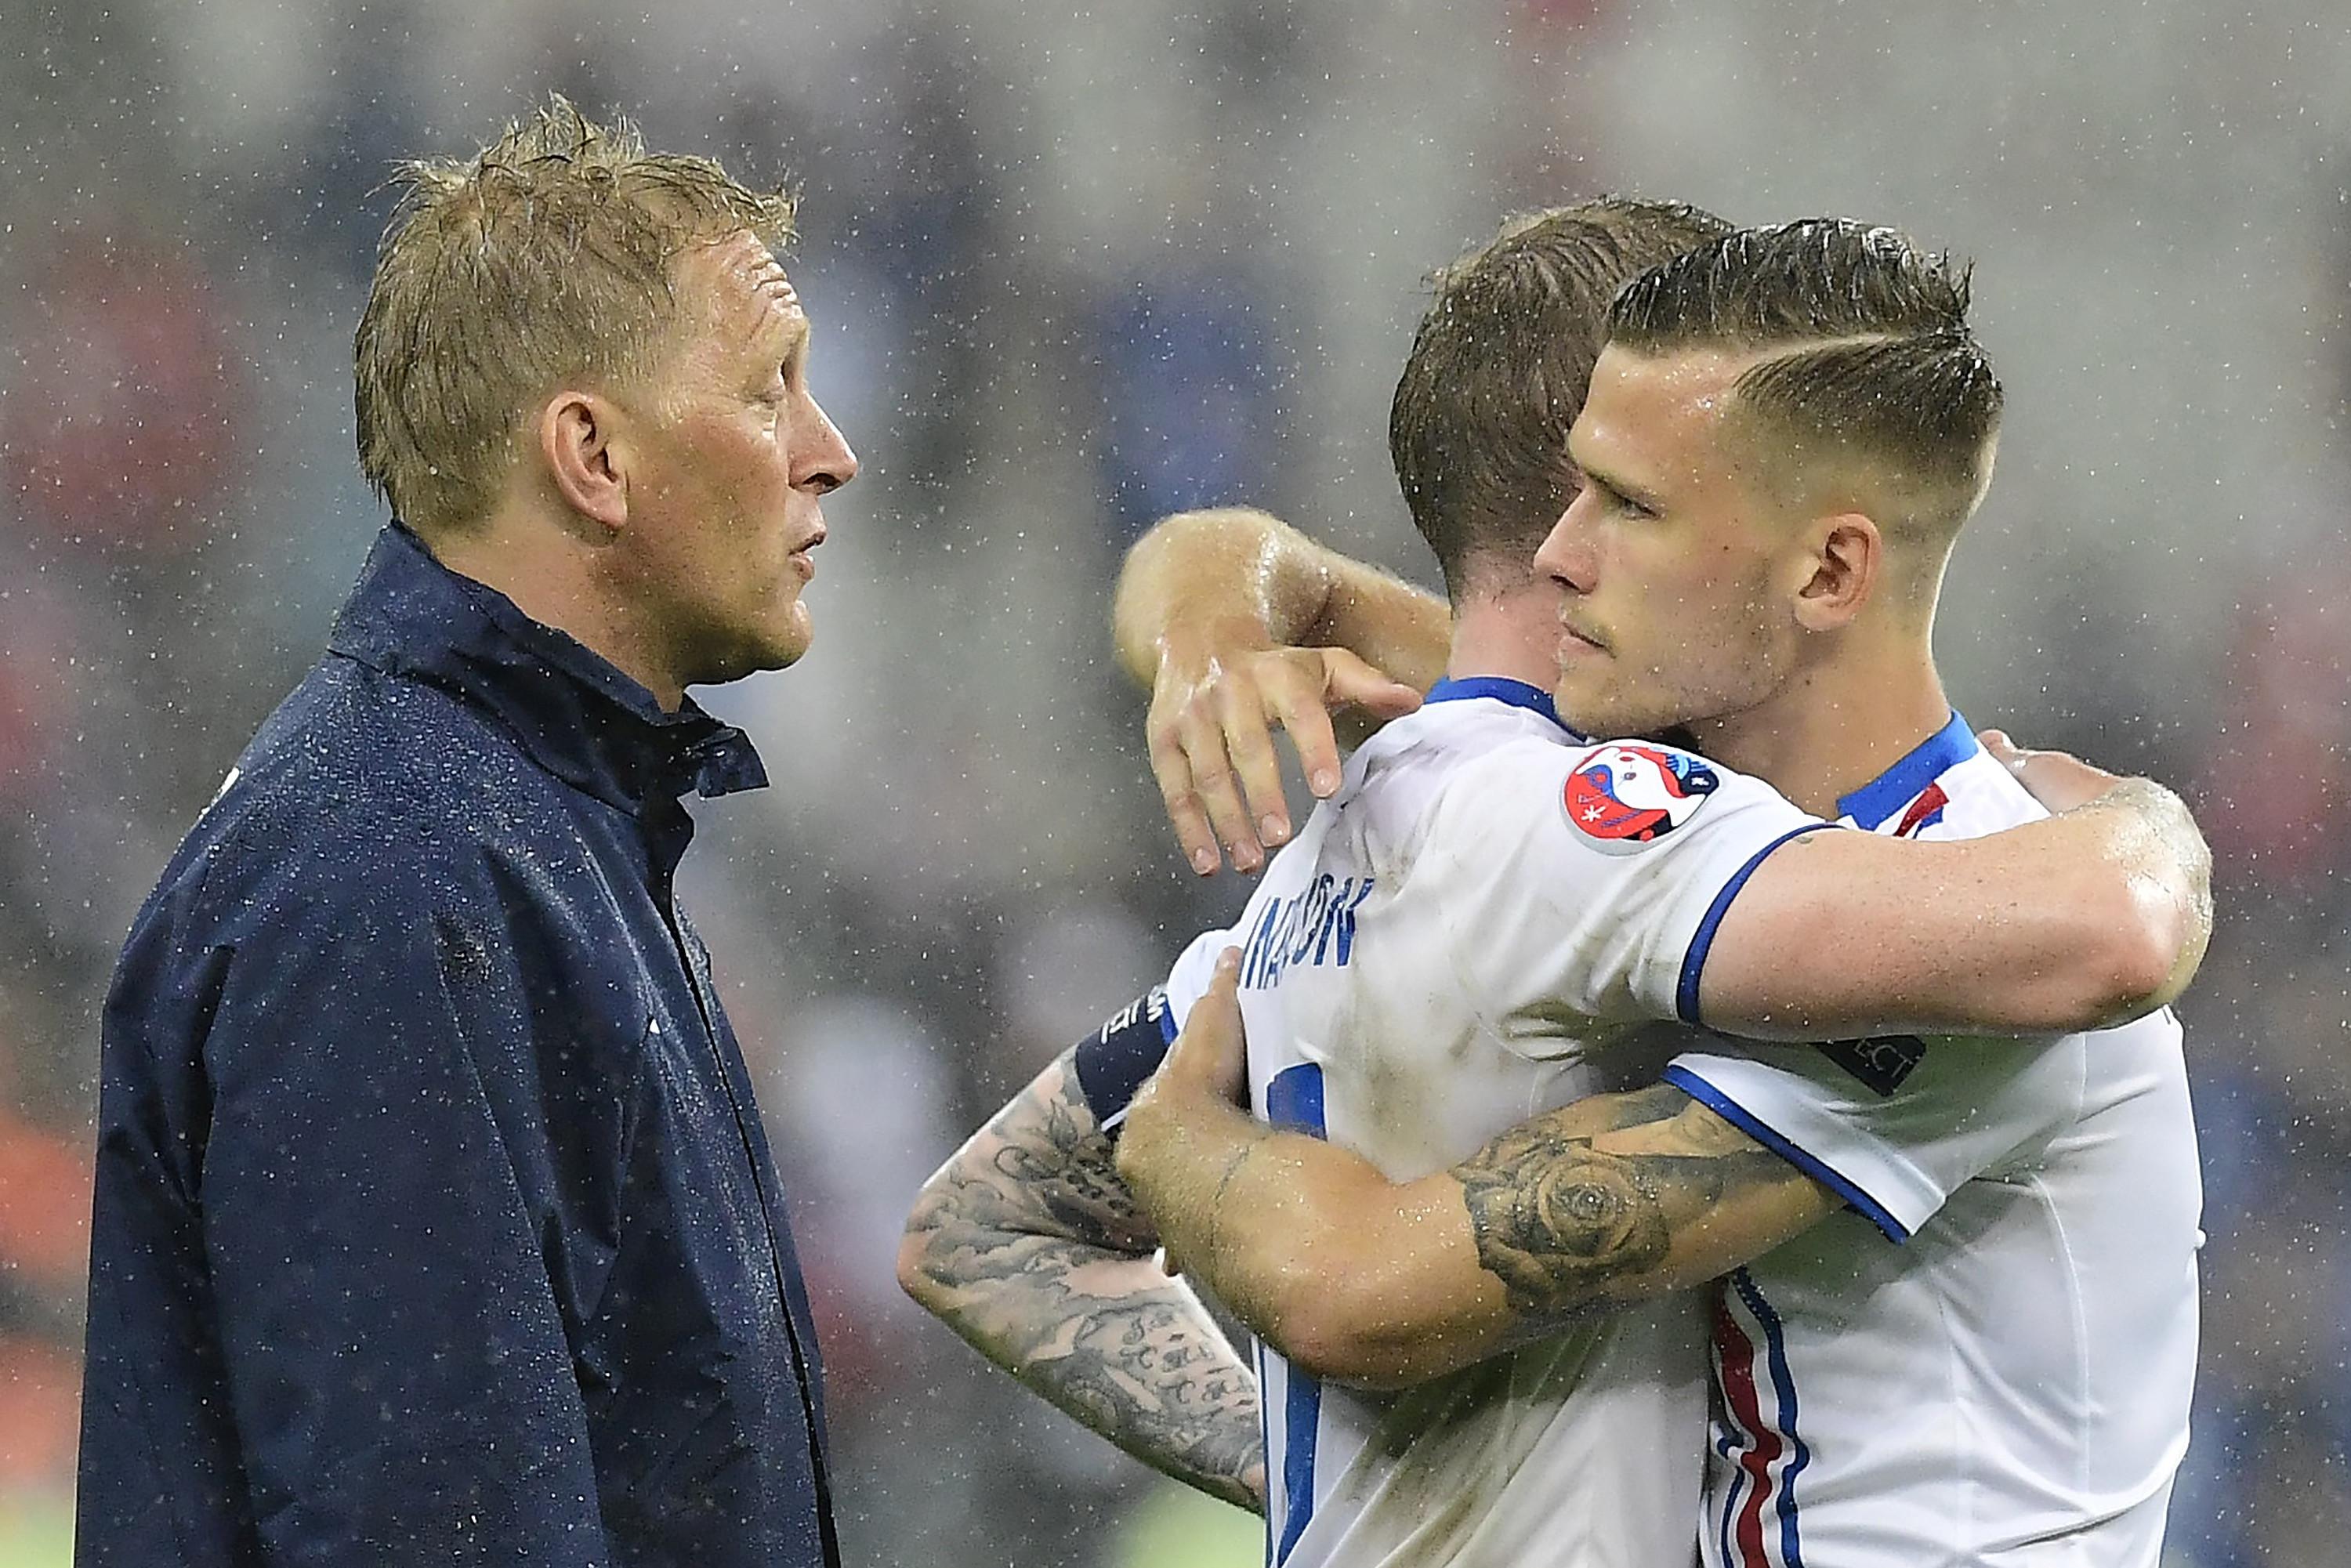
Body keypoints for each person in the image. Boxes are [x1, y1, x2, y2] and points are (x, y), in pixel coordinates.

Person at [899, 205, 2209, 1566]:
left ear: (1828, 567)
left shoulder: (1970, 951)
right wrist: (1214, 614)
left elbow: (1352, 1287)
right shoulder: (1652, 864)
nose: (1563, 551)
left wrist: (1180, 1148)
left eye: (1628, 504)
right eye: (1571, 487)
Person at [78, 98, 857, 1566]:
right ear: (594, 456)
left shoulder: (530, 825)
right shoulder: (393, 876)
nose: (829, 452)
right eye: (769, 387)